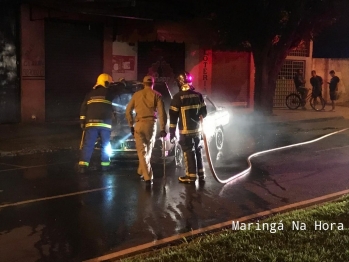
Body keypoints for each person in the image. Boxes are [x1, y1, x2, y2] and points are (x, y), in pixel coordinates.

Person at [125, 75, 167, 187]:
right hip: (151, 125)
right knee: (148, 151)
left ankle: (141, 172)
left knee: (142, 152)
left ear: (143, 84)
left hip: (139, 124)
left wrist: (131, 125)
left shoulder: (136, 95)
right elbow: (162, 114)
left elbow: (128, 110)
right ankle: (148, 177)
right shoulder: (157, 95)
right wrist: (163, 128)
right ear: (152, 84)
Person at [78, 73, 124, 173]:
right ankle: (105, 166)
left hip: (91, 124)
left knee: (88, 145)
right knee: (106, 144)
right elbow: (119, 91)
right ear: (107, 83)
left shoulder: (90, 94)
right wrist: (121, 83)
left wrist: (82, 121)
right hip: (105, 124)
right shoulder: (109, 93)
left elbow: (83, 108)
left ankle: (83, 166)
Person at [169, 71, 207, 184]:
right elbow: (204, 113)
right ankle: (201, 174)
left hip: (185, 131)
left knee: (188, 152)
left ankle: (191, 176)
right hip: (197, 130)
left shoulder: (177, 97)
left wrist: (172, 132)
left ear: (180, 83)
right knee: (198, 150)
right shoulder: (198, 95)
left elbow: (173, 117)